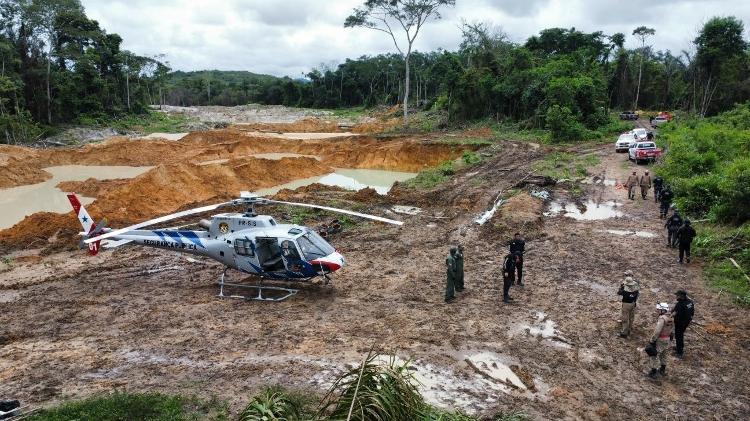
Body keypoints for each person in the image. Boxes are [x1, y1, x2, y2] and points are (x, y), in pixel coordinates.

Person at [648, 302, 674, 378]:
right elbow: (672, 329)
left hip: (660, 339)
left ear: (663, 310)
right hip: (667, 338)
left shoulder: (662, 318)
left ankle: (654, 372)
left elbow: (657, 331)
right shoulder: (671, 317)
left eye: (659, 310)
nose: (657, 311)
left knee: (654, 355)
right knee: (664, 354)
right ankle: (662, 369)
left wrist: (652, 340)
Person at [671, 290, 694, 358]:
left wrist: (669, 315)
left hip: (680, 323)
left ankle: (679, 352)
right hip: (686, 322)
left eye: (677, 295)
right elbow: (692, 312)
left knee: (679, 337)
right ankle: (679, 347)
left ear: (682, 296)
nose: (676, 297)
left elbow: (674, 313)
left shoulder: (680, 304)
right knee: (680, 335)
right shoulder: (690, 302)